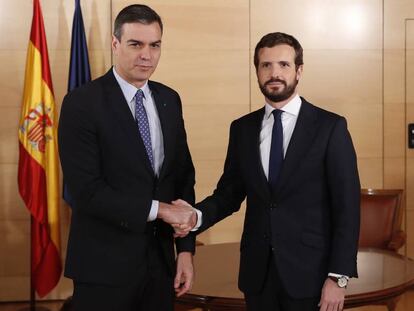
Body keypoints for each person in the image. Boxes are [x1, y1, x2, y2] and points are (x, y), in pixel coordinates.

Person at [176, 32, 360, 311]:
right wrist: (195, 216)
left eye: (284, 65)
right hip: (257, 275)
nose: (274, 73)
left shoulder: (329, 127)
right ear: (257, 71)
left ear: (299, 71)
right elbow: (228, 194)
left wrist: (338, 277)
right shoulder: (242, 129)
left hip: (311, 275)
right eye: (266, 65)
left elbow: (347, 207)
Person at [58, 4, 198, 311]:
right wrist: (159, 210)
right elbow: (86, 192)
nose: (146, 55)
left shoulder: (169, 100)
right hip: (103, 269)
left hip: (161, 268)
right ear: (115, 43)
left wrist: (185, 250)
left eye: (155, 45)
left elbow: (182, 178)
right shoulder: (81, 104)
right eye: (136, 44)